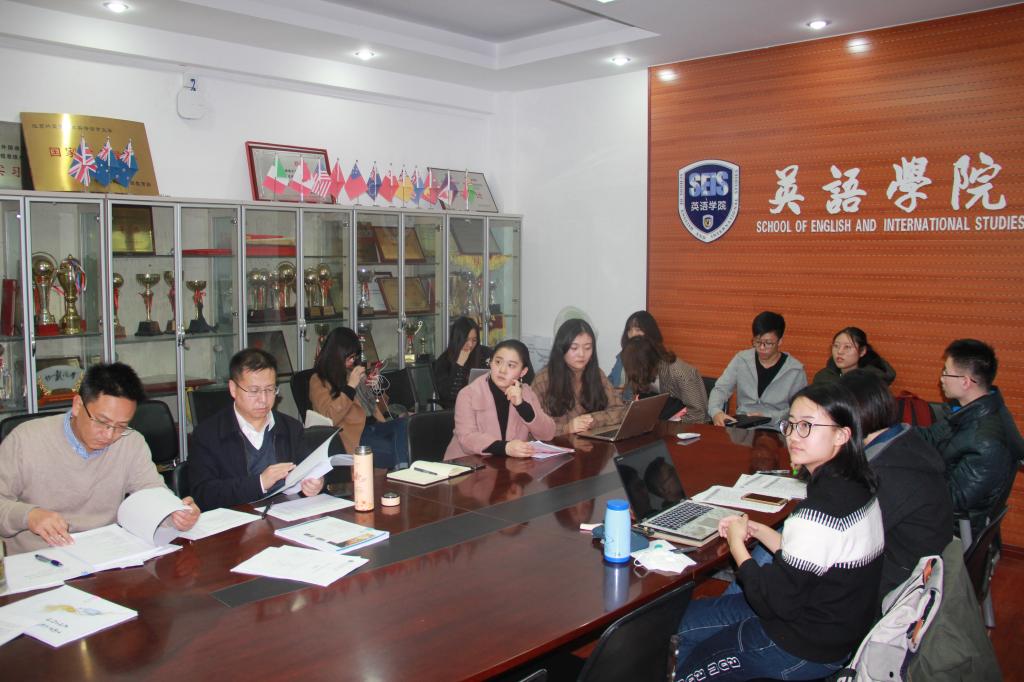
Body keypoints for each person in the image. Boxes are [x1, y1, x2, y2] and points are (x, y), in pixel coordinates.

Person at [674, 383, 884, 681]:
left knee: (696, 662)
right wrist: (758, 530)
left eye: (807, 426)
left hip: (802, 644)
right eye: (791, 424)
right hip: (826, 623)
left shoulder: (819, 512)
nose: (794, 435)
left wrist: (737, 546)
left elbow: (771, 600)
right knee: (686, 623)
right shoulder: (857, 488)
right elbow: (810, 559)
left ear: (841, 435)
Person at [0, 362, 199, 555]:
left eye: (121, 426)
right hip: (40, 558)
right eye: (102, 422)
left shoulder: (130, 442)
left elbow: (152, 493)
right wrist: (29, 516)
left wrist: (174, 514)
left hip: (105, 554)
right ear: (78, 405)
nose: (109, 434)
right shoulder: (26, 440)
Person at [841, 369, 953, 600]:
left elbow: (843, 536)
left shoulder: (886, 472)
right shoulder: (903, 441)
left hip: (898, 586)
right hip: (908, 563)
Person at [189, 348, 324, 510]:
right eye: (254, 391)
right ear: (233, 389)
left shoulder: (291, 428)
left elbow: (310, 468)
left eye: (270, 389)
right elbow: (203, 494)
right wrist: (259, 483)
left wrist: (316, 483)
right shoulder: (208, 434)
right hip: (237, 520)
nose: (263, 399)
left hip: (287, 515)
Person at [916, 339, 1023, 538]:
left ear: (965, 381)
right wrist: (887, 430)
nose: (941, 379)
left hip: (954, 531)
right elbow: (930, 436)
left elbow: (950, 501)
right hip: (942, 510)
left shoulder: (987, 441)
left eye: (946, 372)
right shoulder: (974, 411)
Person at [309, 327, 410, 469]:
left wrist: (375, 390)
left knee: (406, 424)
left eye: (355, 357)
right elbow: (329, 418)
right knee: (396, 451)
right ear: (337, 354)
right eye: (349, 357)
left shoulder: (353, 373)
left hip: (375, 427)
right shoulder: (319, 380)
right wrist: (350, 387)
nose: (353, 361)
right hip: (353, 435)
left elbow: (379, 409)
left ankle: (402, 470)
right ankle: (403, 471)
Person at [444, 339, 555, 460]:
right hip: (466, 464)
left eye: (511, 365)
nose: (502, 370)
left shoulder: (526, 393)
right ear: (490, 362)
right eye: (498, 362)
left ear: (523, 372)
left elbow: (548, 434)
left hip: (507, 465)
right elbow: (467, 438)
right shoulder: (468, 394)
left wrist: (522, 406)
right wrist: (505, 448)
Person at [707, 310, 807, 426]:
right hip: (743, 427)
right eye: (757, 342)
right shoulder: (742, 360)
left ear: (780, 341)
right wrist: (716, 412)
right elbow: (720, 389)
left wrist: (770, 417)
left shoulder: (795, 371)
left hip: (776, 429)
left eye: (768, 343)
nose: (761, 348)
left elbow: (800, 409)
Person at [532, 318, 624, 435]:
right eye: (574, 348)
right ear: (561, 348)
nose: (581, 354)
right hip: (557, 445)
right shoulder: (543, 380)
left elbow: (620, 411)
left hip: (592, 443)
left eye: (587, 348)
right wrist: (566, 428)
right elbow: (533, 425)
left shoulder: (597, 374)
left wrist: (591, 420)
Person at [620, 335, 708, 423]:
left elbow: (698, 414)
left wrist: (667, 425)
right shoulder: (637, 372)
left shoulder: (679, 373)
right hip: (655, 418)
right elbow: (631, 400)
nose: (629, 370)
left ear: (643, 364)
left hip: (684, 423)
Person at [608, 310, 672, 396]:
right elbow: (611, 380)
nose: (633, 334)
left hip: (642, 403)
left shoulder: (659, 360)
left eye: (638, 330)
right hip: (617, 402)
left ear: (650, 332)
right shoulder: (622, 356)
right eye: (629, 330)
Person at [433, 316, 491, 410]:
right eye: (466, 340)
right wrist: (459, 365)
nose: (470, 345)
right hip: (457, 409)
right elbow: (447, 396)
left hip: (484, 405)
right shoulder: (444, 361)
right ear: (457, 340)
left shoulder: (485, 353)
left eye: (474, 340)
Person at [813, 326, 896, 386]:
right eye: (836, 346)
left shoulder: (871, 381)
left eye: (847, 347)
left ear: (862, 351)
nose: (839, 351)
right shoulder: (823, 377)